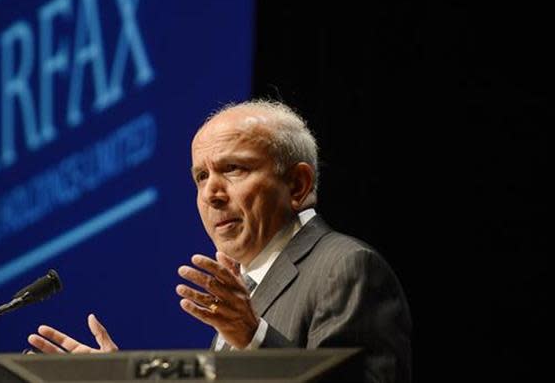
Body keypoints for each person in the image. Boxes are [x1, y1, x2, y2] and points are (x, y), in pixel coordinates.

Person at [27, 99, 412, 382]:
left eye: (233, 168)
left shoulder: (344, 267)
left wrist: (254, 339)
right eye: (200, 177)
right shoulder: (245, 291)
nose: (212, 193)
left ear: (297, 185)